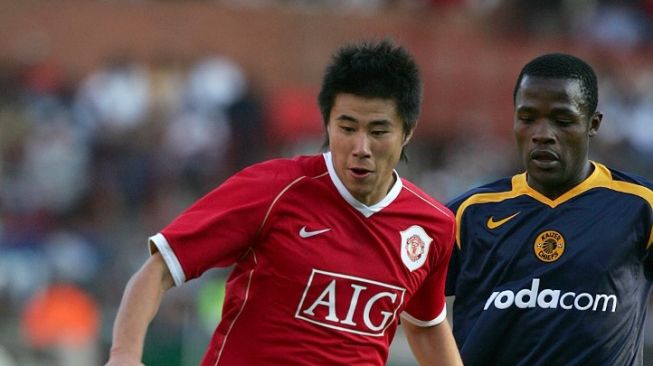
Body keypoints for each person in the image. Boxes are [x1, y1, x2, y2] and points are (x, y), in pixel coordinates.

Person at [106, 39, 462, 366]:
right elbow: (159, 269)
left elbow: (426, 325)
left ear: (408, 131)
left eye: (379, 132)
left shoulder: (433, 225)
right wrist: (124, 356)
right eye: (347, 128)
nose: (361, 148)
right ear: (327, 123)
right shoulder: (274, 189)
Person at [445, 52, 653, 365]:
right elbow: (408, 304)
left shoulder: (640, 206)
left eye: (562, 120)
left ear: (593, 123)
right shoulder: (468, 213)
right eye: (527, 118)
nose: (542, 135)